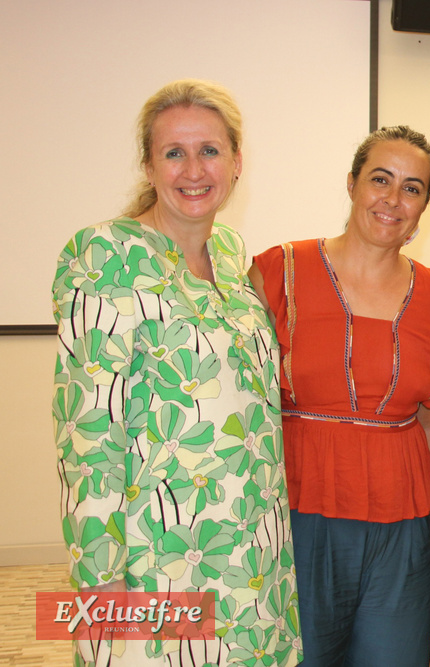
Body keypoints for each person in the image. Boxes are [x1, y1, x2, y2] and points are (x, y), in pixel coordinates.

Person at [50, 79, 301, 666]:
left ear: (237, 162)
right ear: (148, 164)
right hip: (155, 555)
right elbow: (87, 432)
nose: (194, 169)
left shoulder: (235, 255)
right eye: (174, 152)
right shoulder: (105, 256)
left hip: (250, 551)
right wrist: (100, 579)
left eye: (209, 151)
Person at [249, 125, 430, 666]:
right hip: (299, 509)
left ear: (424, 206)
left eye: (412, 188)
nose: (393, 199)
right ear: (351, 185)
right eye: (380, 180)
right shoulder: (279, 271)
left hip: (403, 522)